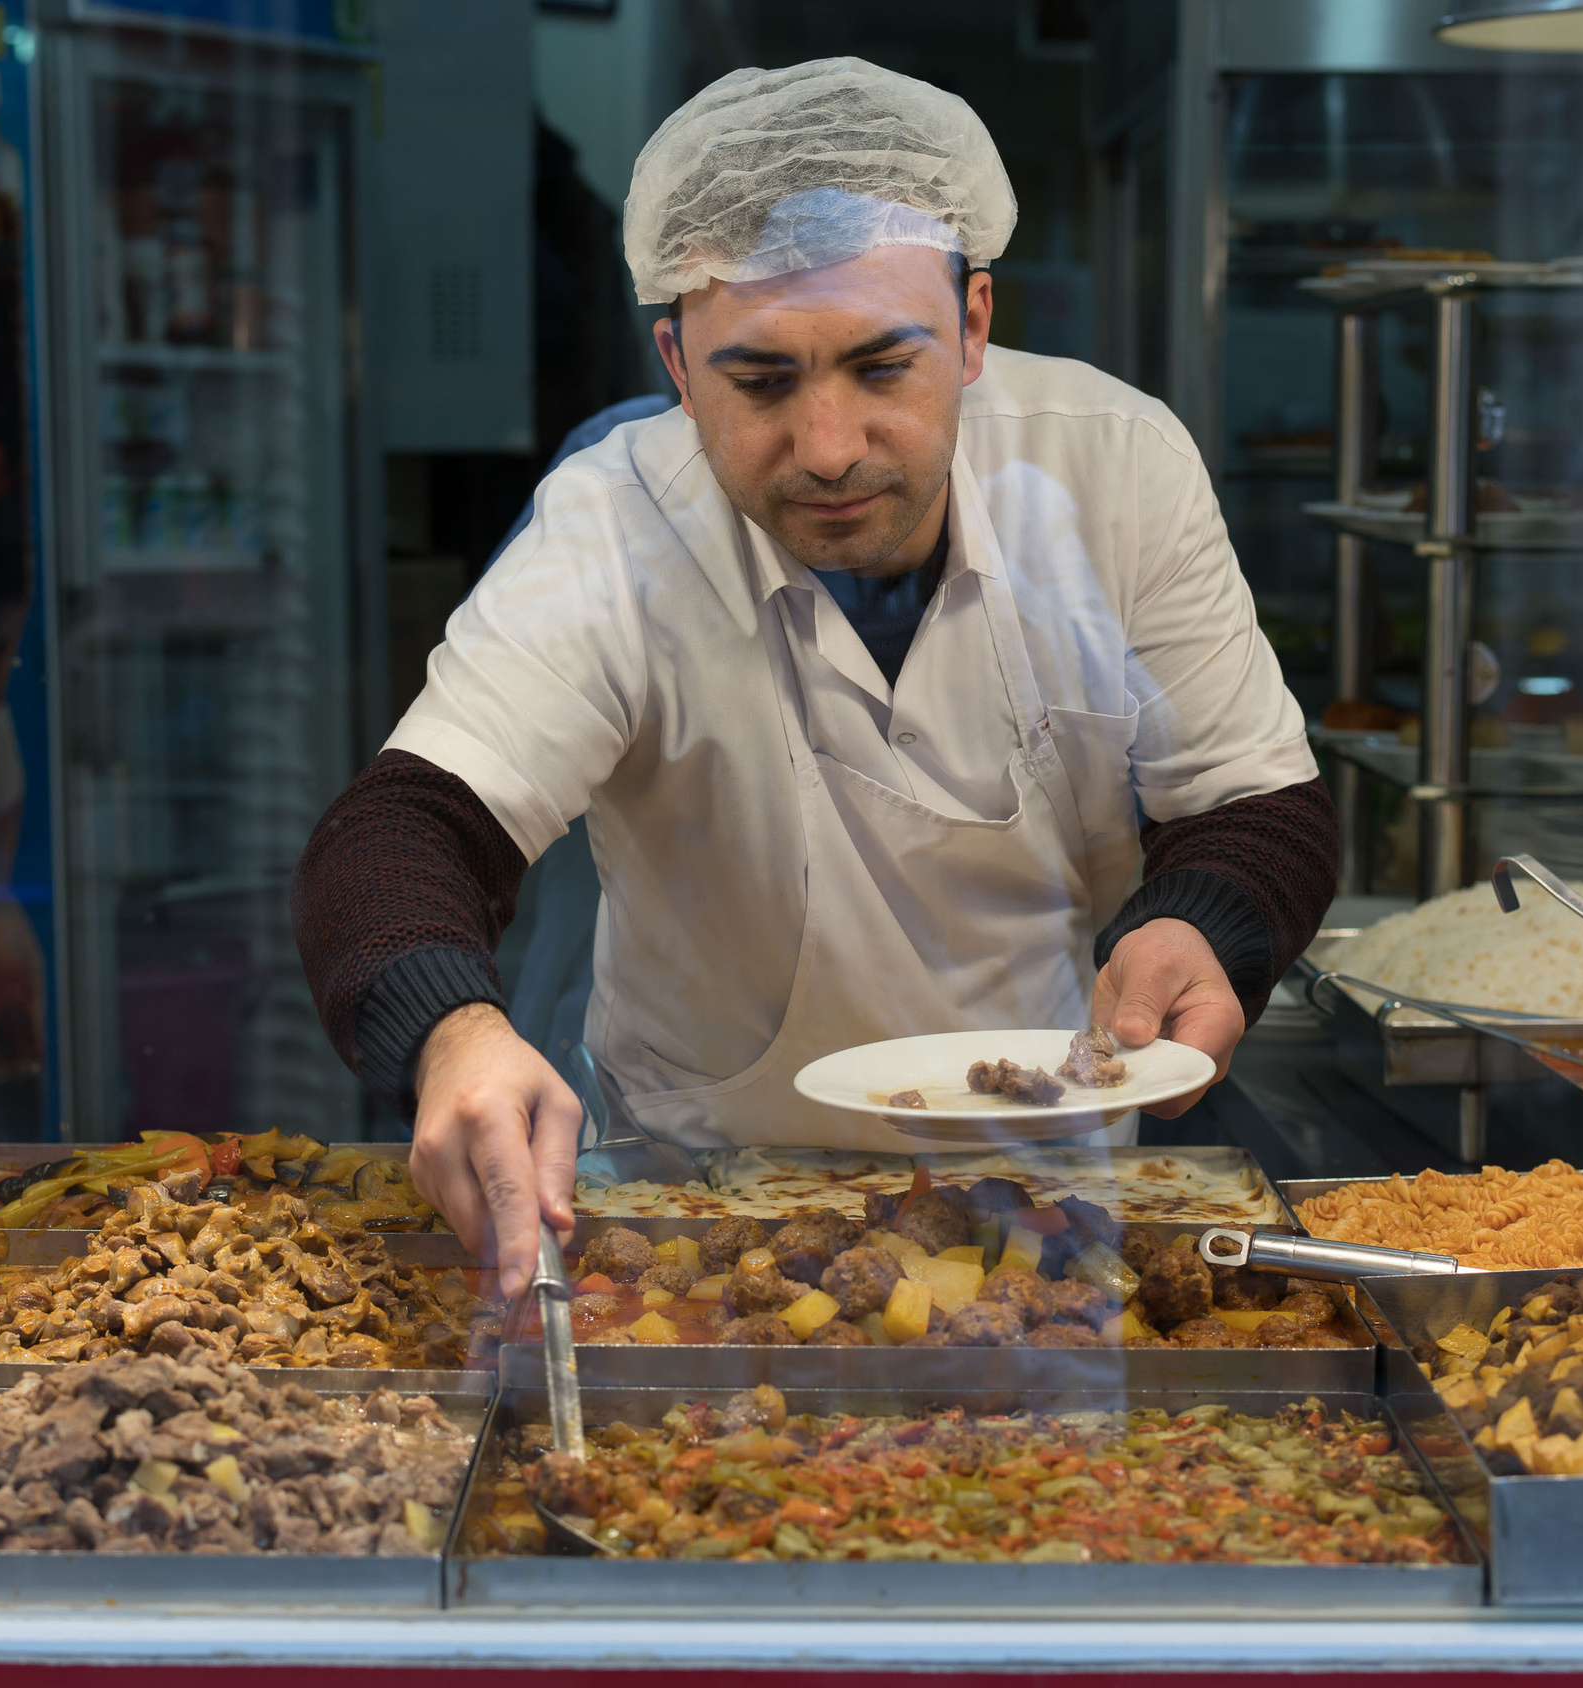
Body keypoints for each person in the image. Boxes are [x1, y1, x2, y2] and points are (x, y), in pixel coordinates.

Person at [296, 58, 1336, 1289]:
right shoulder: (616, 524)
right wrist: (453, 1035)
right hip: (695, 1217)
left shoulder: (1114, 471)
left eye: (882, 366)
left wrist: (1199, 922)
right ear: (678, 366)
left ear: (972, 325)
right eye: (761, 381)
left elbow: (1253, 802)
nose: (829, 449)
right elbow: (404, 827)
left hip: (1055, 1201)